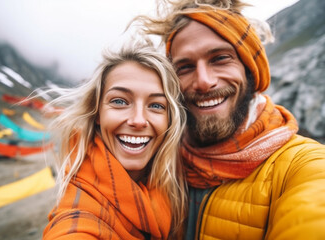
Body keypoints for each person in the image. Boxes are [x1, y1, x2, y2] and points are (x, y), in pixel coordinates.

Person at [134, 0, 325, 239]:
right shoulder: (151, 159)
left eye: (220, 58)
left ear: (250, 69)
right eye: (184, 67)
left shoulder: (303, 166)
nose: (204, 81)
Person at [42, 40, 187, 239]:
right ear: (97, 114)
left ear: (169, 120)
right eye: (119, 101)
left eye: (156, 105)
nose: (138, 120)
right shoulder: (77, 222)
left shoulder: (169, 191)